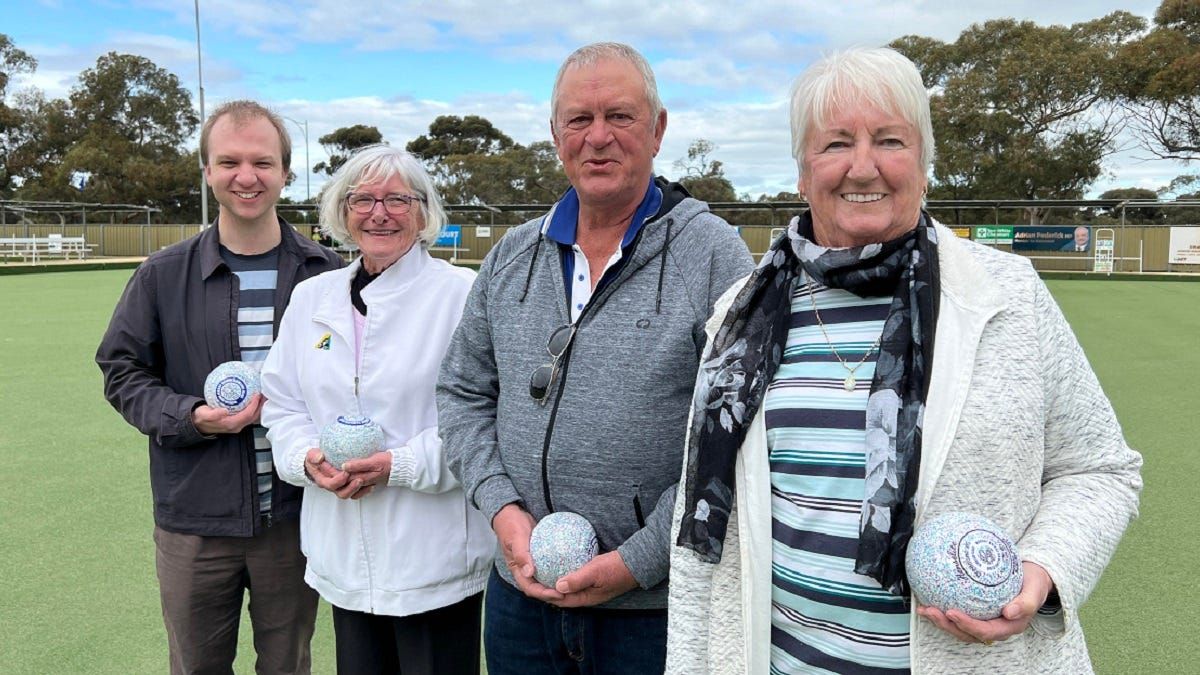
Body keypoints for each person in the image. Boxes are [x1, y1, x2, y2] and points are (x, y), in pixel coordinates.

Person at [665, 48, 1142, 674]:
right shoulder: (738, 318)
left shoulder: (1009, 296)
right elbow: (700, 538)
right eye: (836, 144)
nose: (863, 168)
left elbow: (1100, 468)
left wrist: (1041, 571)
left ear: (924, 162)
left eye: (890, 139)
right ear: (803, 171)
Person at [436, 41, 754, 674]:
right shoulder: (511, 256)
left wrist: (637, 562)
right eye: (579, 120)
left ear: (658, 130)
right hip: (519, 601)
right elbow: (462, 393)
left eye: (620, 116)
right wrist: (501, 508)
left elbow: (737, 435)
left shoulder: (714, 256)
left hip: (653, 612)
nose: (598, 137)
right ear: (556, 135)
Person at [96, 100, 343, 674]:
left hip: (294, 516)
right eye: (228, 161)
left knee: (288, 665)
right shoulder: (162, 274)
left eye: (262, 161)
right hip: (195, 522)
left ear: (285, 171)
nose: (246, 176)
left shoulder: (327, 273)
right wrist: (190, 417)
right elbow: (122, 370)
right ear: (207, 172)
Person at [260, 144, 492, 675]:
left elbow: (482, 417)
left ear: (423, 211)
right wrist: (307, 459)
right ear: (343, 212)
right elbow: (283, 403)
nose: (378, 213)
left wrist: (401, 466)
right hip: (342, 556)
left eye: (396, 199)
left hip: (435, 562)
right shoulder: (312, 298)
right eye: (362, 199)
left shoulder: (462, 294)